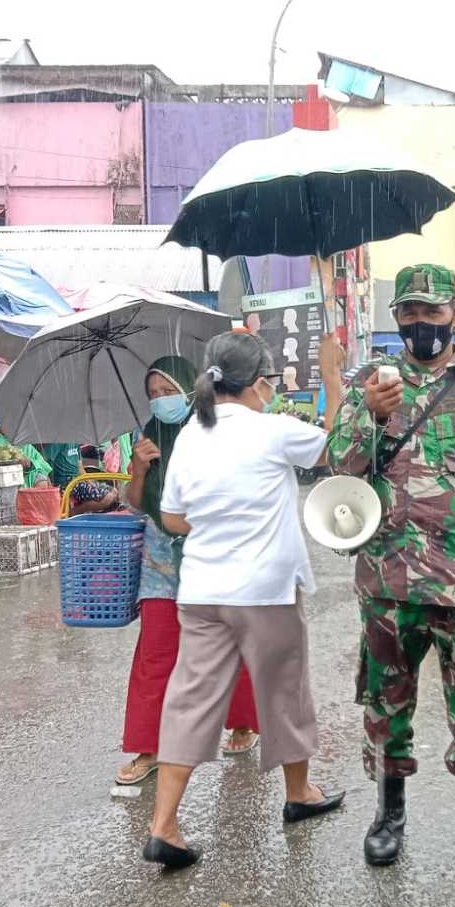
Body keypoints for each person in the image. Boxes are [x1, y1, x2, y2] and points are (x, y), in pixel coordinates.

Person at [329, 263, 455, 868]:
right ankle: (388, 814)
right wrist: (366, 415)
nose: (421, 323)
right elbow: (341, 472)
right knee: (386, 703)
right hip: (388, 581)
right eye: (409, 312)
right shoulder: (370, 384)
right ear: (395, 318)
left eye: (433, 312)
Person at [144, 331, 347, 870]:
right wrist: (331, 377)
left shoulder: (190, 435)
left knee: (189, 699)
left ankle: (164, 825)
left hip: (202, 591)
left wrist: (217, 521)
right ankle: (299, 794)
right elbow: (340, 448)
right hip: (265, 592)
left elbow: (172, 517)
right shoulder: (274, 430)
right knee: (284, 692)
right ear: (260, 383)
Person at [116, 355, 260, 786]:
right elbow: (138, 503)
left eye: (168, 392)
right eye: (153, 395)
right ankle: (150, 747)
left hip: (214, 554)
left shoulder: (215, 429)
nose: (160, 401)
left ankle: (243, 724)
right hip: (161, 562)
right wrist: (139, 469)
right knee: (156, 653)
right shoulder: (148, 434)